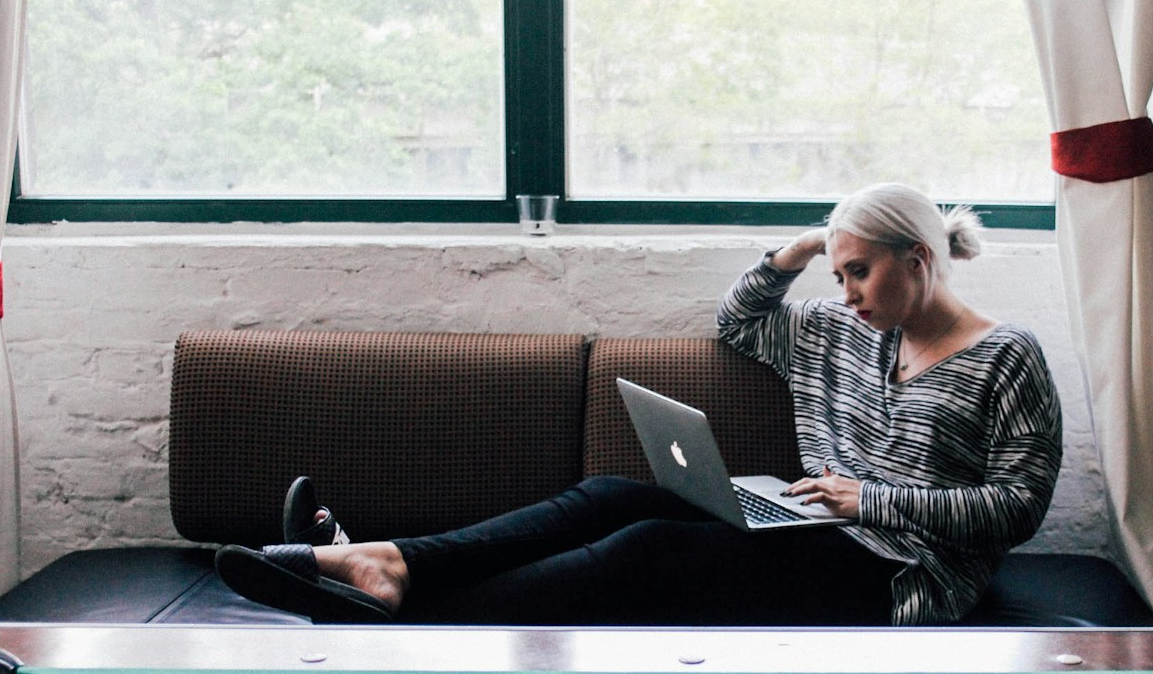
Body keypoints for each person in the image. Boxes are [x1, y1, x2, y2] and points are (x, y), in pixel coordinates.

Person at [215, 182, 1063, 627]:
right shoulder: (839, 330)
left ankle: (399, 600)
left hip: (901, 575)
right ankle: (386, 560)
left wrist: (868, 499)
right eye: (837, 274)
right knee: (609, 495)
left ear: (919, 257)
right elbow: (739, 320)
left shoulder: (1007, 355)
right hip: (817, 525)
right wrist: (803, 246)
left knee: (647, 548)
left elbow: (1017, 510)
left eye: (860, 271)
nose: (845, 293)